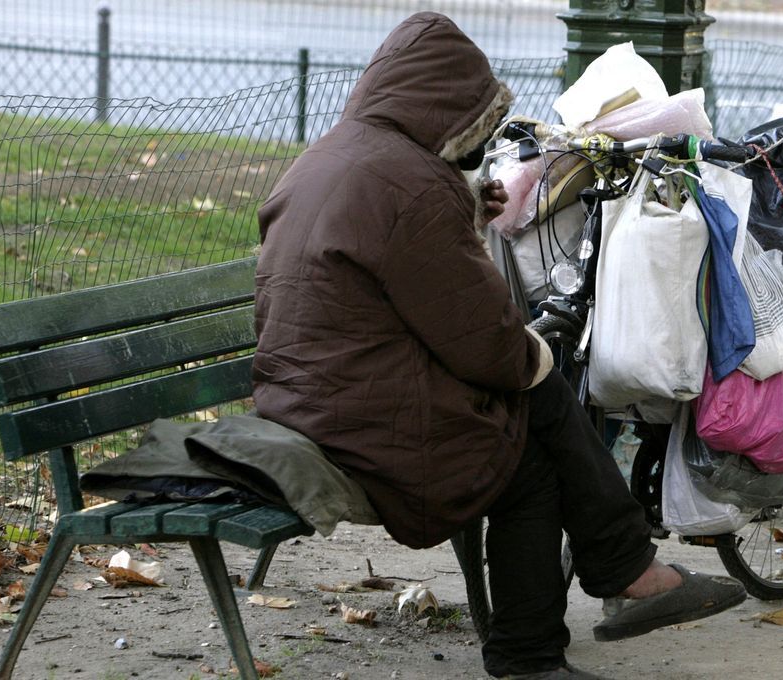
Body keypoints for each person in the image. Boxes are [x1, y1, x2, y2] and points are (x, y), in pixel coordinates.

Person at [252, 12, 745, 679]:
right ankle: (590, 602)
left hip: (305, 402)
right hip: (361, 426)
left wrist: (459, 207)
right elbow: (487, 347)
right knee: (525, 441)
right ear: (443, 106)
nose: (474, 142)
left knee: (526, 417)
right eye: (472, 123)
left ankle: (615, 580)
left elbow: (387, 263)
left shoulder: (332, 157)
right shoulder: (409, 186)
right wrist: (532, 352)